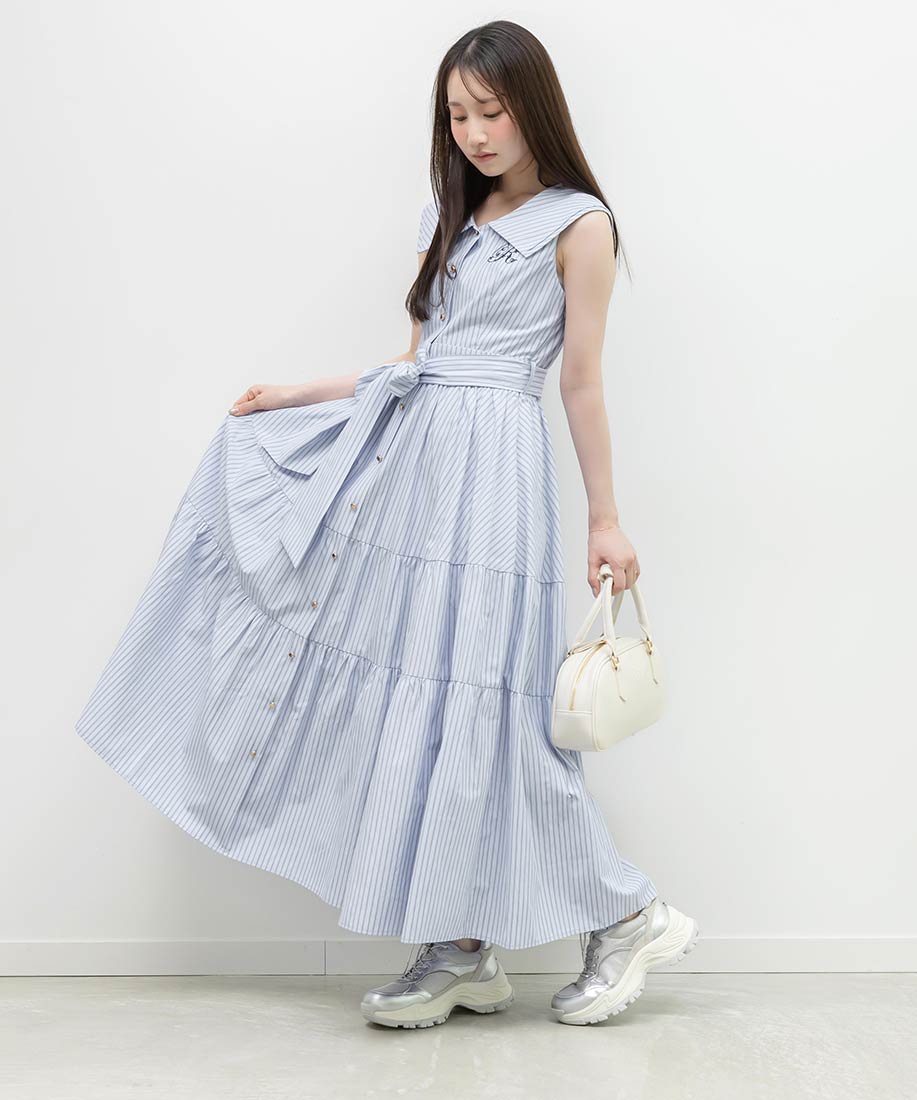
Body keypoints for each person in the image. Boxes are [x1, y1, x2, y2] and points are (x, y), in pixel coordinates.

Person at [74, 19, 698, 1030]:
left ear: (533, 107)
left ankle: (625, 913)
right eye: (456, 116)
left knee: (490, 704)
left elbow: (579, 381)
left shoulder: (580, 224)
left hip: (495, 474)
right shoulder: (444, 213)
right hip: (414, 468)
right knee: (417, 701)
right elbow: (418, 362)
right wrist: (295, 394)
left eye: (490, 112)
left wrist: (607, 518)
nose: (474, 134)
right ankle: (458, 942)